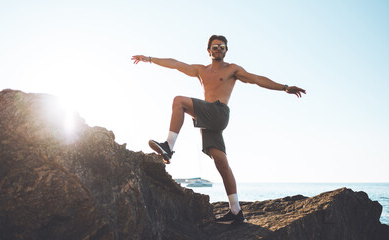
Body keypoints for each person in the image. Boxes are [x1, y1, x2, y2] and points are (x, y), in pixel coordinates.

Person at [131, 35, 306, 225]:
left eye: (222, 47)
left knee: (179, 101)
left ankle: (168, 146)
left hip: (219, 113)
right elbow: (175, 64)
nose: (218, 49)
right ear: (209, 51)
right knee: (221, 163)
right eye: (215, 47)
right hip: (207, 120)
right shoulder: (200, 70)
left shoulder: (233, 69)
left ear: (226, 50)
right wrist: (148, 59)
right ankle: (236, 212)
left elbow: (256, 79)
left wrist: (285, 87)